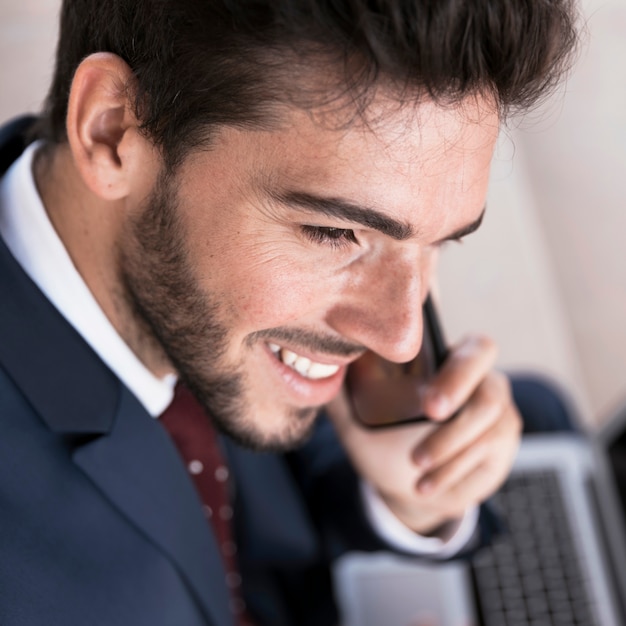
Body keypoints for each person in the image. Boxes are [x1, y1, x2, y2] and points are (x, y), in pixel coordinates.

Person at [0, 1, 579, 624]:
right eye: (335, 232)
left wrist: (411, 495)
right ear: (111, 132)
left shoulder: (192, 290)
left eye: (439, 242)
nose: (401, 337)